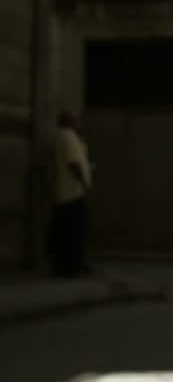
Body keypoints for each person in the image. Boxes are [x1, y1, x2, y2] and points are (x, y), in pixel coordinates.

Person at [48, 111, 92, 277]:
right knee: (75, 231)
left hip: (62, 192)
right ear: (70, 122)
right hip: (73, 192)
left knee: (63, 231)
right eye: (77, 121)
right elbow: (73, 163)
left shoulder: (60, 137)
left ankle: (63, 265)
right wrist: (83, 183)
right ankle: (73, 266)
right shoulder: (69, 136)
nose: (79, 124)